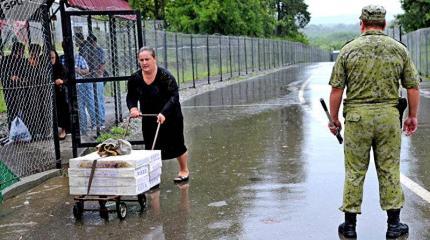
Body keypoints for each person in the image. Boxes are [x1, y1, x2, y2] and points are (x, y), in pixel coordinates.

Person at [328, 5, 421, 239]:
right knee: (390, 169)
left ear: (362, 23)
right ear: (384, 24)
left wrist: (334, 119)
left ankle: (349, 226)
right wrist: (412, 116)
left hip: (357, 118)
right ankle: (394, 225)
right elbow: (412, 86)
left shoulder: (348, 50)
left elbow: (337, 89)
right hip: (388, 117)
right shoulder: (398, 50)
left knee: (354, 171)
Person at [127, 47, 190, 183]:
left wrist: (164, 113)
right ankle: (153, 176)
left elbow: (174, 97)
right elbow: (131, 97)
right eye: (141, 60)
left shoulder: (165, 76)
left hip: (170, 114)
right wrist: (133, 108)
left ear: (154, 59)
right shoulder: (135, 78)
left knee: (177, 144)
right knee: (151, 147)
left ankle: (184, 170)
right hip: (149, 116)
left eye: (147, 59)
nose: (144, 62)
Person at [85, 34, 106, 129]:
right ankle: (94, 122)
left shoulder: (99, 50)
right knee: (91, 100)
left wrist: (99, 74)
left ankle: (101, 122)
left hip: (97, 77)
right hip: (90, 77)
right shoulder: (87, 51)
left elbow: (102, 64)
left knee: (99, 99)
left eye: (91, 43)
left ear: (94, 42)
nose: (90, 45)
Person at [51, 49, 70, 140]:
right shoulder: (45, 68)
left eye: (52, 58)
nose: (51, 60)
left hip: (60, 93)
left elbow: (68, 79)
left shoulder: (60, 67)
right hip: (49, 93)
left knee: (62, 110)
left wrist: (61, 81)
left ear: (56, 58)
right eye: (49, 58)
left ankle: (63, 130)